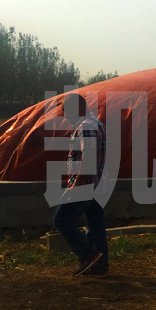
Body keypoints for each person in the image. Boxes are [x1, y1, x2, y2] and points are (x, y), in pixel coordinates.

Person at [52, 92, 109, 277]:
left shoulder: (85, 127)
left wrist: (76, 186)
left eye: (66, 111)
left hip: (86, 185)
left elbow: (89, 159)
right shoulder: (96, 122)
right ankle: (100, 267)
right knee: (95, 225)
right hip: (98, 184)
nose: (65, 116)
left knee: (61, 220)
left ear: (77, 108)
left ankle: (88, 255)